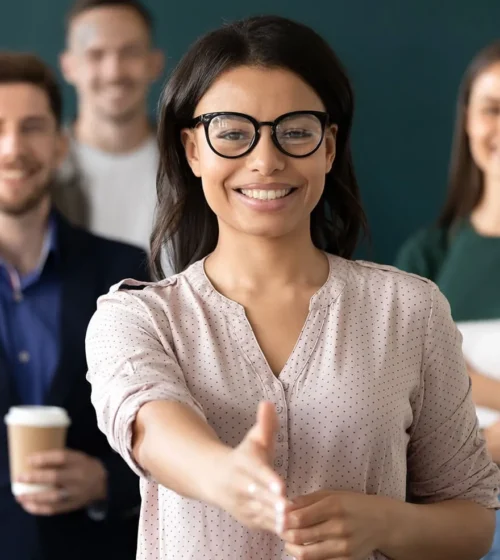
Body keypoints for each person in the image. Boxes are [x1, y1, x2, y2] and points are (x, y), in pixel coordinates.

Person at [86, 16, 500, 560]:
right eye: (232, 133)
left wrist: (383, 523)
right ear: (192, 150)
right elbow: (150, 425)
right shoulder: (136, 317)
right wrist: (223, 475)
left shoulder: (410, 310)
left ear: (328, 148)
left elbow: (471, 520)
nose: (266, 159)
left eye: (295, 131)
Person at [0, 52, 148, 560]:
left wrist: (108, 481)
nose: (13, 147)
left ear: (61, 145)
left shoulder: (126, 270)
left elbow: (174, 425)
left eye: (33, 127)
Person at [395, 40, 500, 560]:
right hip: (454, 515)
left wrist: (479, 388)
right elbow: (404, 397)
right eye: (493, 108)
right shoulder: (429, 254)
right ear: (468, 121)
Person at [54, 0, 164, 253]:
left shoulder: (191, 162)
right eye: (96, 54)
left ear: (155, 63)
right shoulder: (41, 169)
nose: (114, 72)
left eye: (130, 52)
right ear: (68, 67)